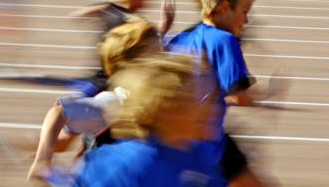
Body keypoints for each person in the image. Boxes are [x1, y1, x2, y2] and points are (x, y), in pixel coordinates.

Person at [165, 0, 286, 187]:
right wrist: (265, 98)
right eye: (245, 11)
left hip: (173, 143)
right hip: (206, 148)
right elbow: (240, 97)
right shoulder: (224, 41)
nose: (247, 20)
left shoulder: (180, 39)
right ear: (224, 7)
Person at [28, 21, 161, 181]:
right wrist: (43, 160)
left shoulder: (155, 93)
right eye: (157, 53)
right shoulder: (114, 102)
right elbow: (60, 111)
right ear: (133, 65)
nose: (164, 59)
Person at [72, 55, 227, 187]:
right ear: (168, 111)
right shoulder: (123, 165)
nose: (213, 110)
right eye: (198, 101)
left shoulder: (198, 158)